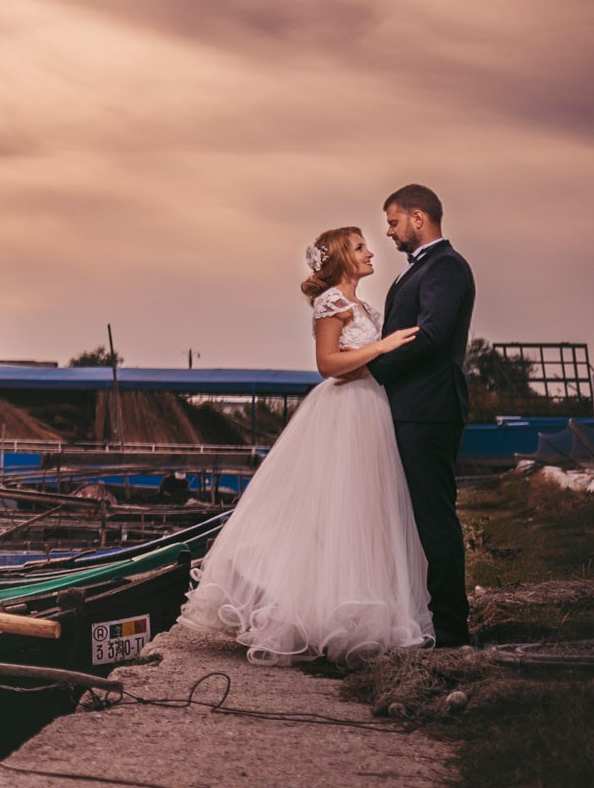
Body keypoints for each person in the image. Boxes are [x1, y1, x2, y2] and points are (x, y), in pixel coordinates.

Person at [179, 225, 432, 664]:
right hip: (343, 412)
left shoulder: (365, 305)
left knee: (362, 514)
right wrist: (384, 347)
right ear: (340, 258)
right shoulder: (330, 301)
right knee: (327, 511)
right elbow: (327, 364)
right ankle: (302, 610)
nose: (371, 251)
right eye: (359, 247)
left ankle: (355, 615)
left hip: (371, 409)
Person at [365, 183, 476, 647]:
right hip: (413, 408)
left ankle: (451, 628)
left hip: (428, 410)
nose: (388, 232)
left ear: (417, 218)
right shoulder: (422, 270)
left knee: (434, 518)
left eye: (392, 222)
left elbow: (430, 336)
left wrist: (375, 370)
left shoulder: (445, 267)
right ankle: (427, 616)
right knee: (416, 518)